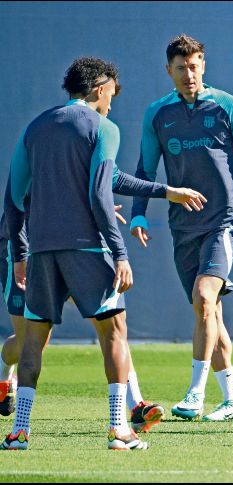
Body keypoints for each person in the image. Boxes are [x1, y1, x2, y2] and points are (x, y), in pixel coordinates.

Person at [0, 56, 203, 450]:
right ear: (99, 87)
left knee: (31, 343)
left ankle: (19, 431)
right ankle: (118, 428)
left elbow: (14, 199)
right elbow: (98, 193)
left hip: (41, 251)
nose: (113, 100)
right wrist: (120, 252)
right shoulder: (103, 127)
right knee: (115, 334)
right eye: (113, 92)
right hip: (89, 248)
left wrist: (21, 253)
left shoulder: (36, 127)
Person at [130, 34, 233, 422]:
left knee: (205, 299)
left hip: (224, 222)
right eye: (181, 68)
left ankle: (194, 392)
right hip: (182, 227)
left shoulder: (229, 106)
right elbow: (145, 169)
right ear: (168, 70)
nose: (189, 74)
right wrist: (139, 212)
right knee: (210, 313)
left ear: (203, 65)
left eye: (194, 66)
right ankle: (232, 402)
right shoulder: (158, 113)